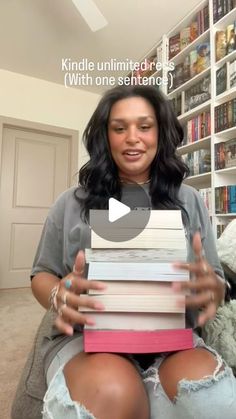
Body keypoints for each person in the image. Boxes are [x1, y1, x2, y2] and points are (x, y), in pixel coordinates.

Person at [12, 85, 236, 419]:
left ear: (160, 133)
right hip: (86, 336)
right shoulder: (71, 202)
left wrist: (213, 289)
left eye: (144, 126)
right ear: (106, 136)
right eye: (120, 128)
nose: (133, 137)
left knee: (209, 396)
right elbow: (41, 274)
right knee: (113, 392)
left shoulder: (188, 199)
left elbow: (215, 279)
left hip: (171, 336)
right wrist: (60, 293)